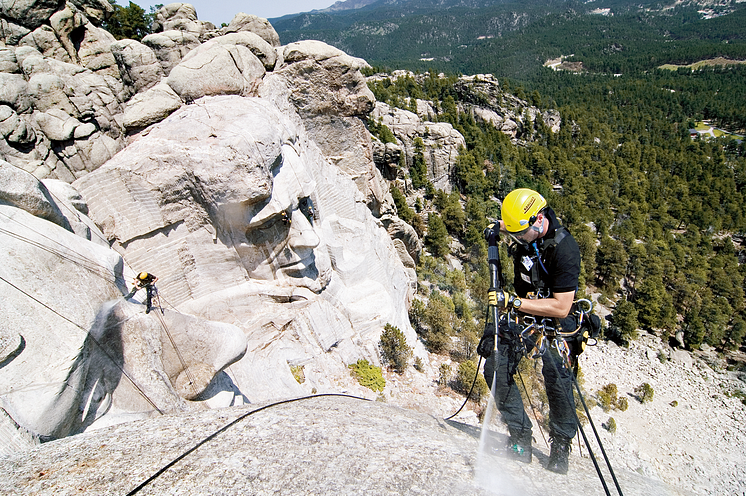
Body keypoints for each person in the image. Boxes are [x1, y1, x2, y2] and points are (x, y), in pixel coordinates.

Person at [481, 188, 581, 475]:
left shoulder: (565, 249)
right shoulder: (526, 228)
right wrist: (495, 229)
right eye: (514, 233)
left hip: (554, 317)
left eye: (520, 233)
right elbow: (508, 226)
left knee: (558, 379)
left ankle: (561, 444)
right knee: (496, 366)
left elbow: (562, 307)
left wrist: (514, 302)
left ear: (539, 220)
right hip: (525, 312)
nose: (517, 239)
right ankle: (520, 437)